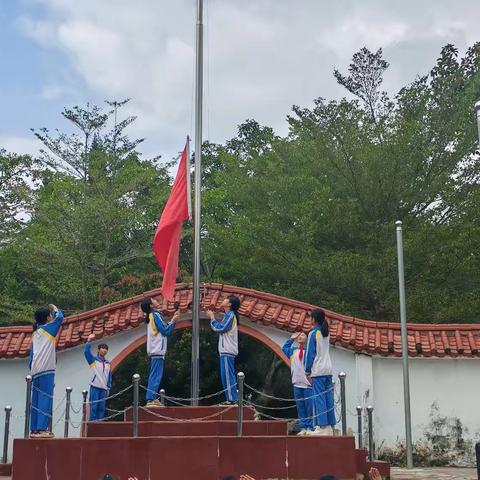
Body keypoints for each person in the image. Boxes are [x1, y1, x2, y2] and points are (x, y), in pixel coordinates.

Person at [29, 304, 64, 438]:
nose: (51, 317)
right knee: (45, 397)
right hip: (46, 369)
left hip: (35, 369)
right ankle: (42, 428)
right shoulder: (49, 328)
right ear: (47, 317)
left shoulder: (35, 332)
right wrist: (55, 308)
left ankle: (34, 429)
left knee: (36, 399)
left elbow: (32, 354)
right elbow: (60, 318)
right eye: (50, 315)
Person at [140, 297, 179, 407]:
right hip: (157, 350)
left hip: (157, 350)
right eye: (154, 300)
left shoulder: (153, 315)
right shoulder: (155, 315)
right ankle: (150, 399)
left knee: (156, 375)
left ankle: (152, 398)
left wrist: (173, 321)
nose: (157, 300)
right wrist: (173, 321)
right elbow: (165, 330)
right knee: (155, 375)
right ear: (151, 305)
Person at [304, 308, 336, 435]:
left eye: (311, 317)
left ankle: (322, 426)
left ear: (314, 319)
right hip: (328, 369)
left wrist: (307, 371)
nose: (309, 320)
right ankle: (330, 425)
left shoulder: (313, 334)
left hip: (318, 370)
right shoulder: (326, 333)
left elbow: (310, 354)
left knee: (319, 398)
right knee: (328, 397)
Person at [208, 295, 241, 404]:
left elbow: (220, 328)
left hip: (228, 350)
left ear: (230, 304)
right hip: (224, 351)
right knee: (225, 375)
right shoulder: (228, 315)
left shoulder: (230, 315)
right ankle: (230, 398)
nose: (223, 300)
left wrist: (212, 318)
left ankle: (232, 399)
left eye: (226, 299)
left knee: (227, 375)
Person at [282, 331, 314, 435]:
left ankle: (310, 427)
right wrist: (291, 338)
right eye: (299, 335)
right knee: (300, 407)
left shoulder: (310, 351)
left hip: (307, 384)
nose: (300, 337)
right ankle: (303, 427)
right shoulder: (293, 351)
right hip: (297, 383)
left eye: (303, 335)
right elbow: (284, 349)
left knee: (309, 407)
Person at [84, 333, 112, 421]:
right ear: (98, 350)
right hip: (95, 387)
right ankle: (92, 425)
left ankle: (99, 425)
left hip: (103, 389)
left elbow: (109, 377)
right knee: (94, 407)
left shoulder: (108, 363)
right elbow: (86, 352)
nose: (104, 350)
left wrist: (108, 388)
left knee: (101, 408)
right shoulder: (94, 360)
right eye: (102, 348)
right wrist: (89, 341)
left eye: (106, 349)